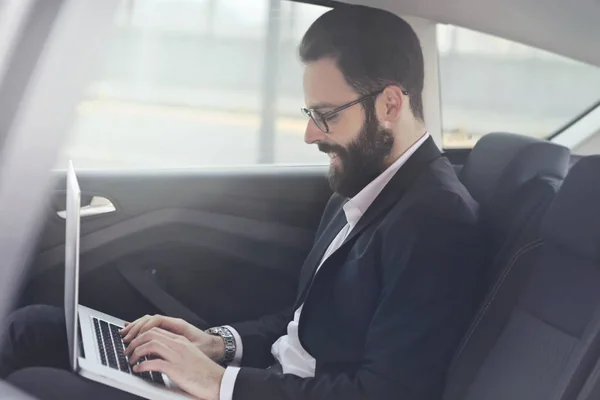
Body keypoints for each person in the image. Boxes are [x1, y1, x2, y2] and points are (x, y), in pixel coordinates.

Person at [0, 5, 487, 400]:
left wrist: (216, 383)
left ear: (389, 105)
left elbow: (387, 394)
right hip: (261, 380)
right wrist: (216, 344)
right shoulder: (363, 182)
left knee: (30, 387)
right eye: (309, 113)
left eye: (326, 115)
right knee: (34, 328)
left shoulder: (437, 222)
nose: (310, 134)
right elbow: (306, 325)